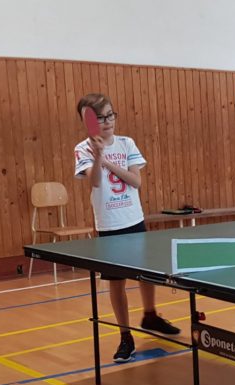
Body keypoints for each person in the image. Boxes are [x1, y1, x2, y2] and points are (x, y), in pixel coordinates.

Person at [73, 93, 180, 363]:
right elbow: (95, 182)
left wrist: (108, 161)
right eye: (100, 118)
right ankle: (125, 335)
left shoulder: (126, 143)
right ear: (89, 122)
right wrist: (98, 156)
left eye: (110, 115)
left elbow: (136, 181)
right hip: (109, 224)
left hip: (134, 218)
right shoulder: (83, 149)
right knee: (116, 282)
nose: (107, 121)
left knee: (146, 274)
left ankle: (150, 315)